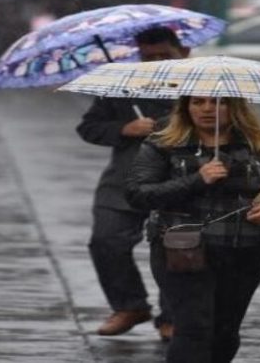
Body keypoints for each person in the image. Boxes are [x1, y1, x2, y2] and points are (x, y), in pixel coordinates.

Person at [125, 96, 260, 363]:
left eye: (218, 102)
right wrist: (198, 179)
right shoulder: (164, 143)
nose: (207, 109)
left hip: (244, 249)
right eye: (198, 102)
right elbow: (138, 194)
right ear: (185, 107)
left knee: (225, 330)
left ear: (235, 107)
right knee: (194, 327)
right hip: (182, 249)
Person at [76, 27, 190, 338]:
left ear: (184, 53)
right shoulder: (121, 85)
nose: (154, 62)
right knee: (106, 240)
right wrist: (125, 128)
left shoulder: (201, 87)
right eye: (147, 56)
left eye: (163, 55)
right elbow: (89, 127)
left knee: (177, 247)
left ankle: (173, 316)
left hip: (180, 181)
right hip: (125, 180)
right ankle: (129, 305)